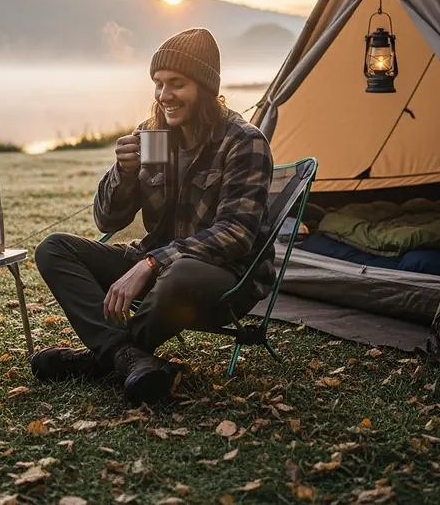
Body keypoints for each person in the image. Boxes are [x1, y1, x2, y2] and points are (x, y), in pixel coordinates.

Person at [32, 27, 275, 404]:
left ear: (206, 88)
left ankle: (98, 358)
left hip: (225, 278)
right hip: (157, 263)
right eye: (158, 84)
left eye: (176, 84)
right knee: (54, 248)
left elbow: (236, 233)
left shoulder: (243, 142)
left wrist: (151, 262)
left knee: (180, 271)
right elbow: (107, 221)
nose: (164, 96)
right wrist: (123, 173)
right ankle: (125, 357)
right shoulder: (154, 137)